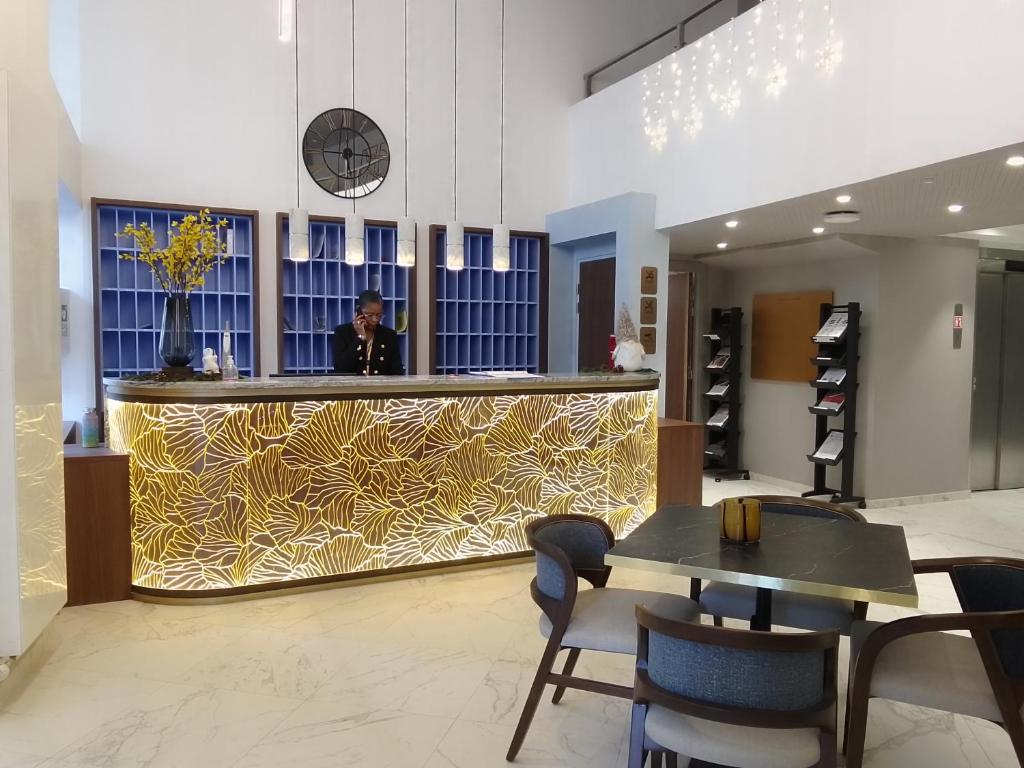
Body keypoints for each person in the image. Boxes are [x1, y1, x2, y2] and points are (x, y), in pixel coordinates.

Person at [332, 290, 405, 375]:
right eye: (370, 315)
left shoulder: (389, 335)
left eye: (379, 315)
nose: (375, 320)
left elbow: (397, 371)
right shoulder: (342, 332)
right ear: (359, 312)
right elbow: (340, 368)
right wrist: (360, 337)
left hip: (379, 386)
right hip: (352, 386)